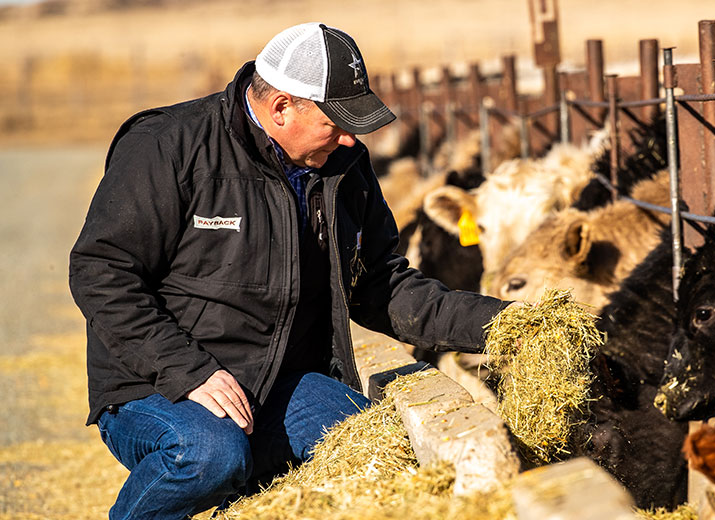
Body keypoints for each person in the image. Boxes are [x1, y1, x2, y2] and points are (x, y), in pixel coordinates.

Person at [69, 22, 512, 519]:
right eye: (337, 122)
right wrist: (189, 372)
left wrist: (507, 326)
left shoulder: (345, 169)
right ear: (282, 107)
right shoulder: (168, 145)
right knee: (210, 454)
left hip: (279, 379)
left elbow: (382, 286)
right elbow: (101, 271)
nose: (350, 139)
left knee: (372, 443)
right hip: (157, 383)